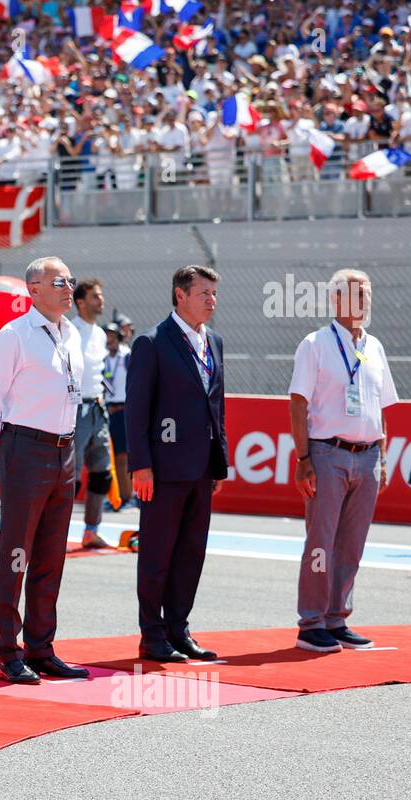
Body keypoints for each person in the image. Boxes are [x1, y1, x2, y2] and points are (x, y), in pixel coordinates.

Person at [0, 256, 92, 684]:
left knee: (51, 555)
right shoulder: (14, 335)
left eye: (70, 279)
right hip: (25, 446)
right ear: (34, 289)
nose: (67, 287)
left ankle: (42, 648)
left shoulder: (72, 334)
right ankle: (9, 652)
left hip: (64, 449)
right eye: (57, 280)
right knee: (16, 554)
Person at [288, 269, 398, 653]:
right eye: (357, 295)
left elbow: (382, 410)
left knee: (352, 544)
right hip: (327, 452)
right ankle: (311, 623)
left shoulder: (375, 346)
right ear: (336, 301)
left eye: (367, 293)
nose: (365, 301)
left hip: (367, 456)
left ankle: (337, 619)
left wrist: (382, 458)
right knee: (321, 542)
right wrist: (304, 458)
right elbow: (298, 403)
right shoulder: (315, 343)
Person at [126, 265, 228, 663]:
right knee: (157, 554)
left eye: (214, 293)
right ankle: (152, 635)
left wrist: (219, 463)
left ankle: (178, 628)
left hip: (201, 467)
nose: (211, 300)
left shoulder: (214, 342)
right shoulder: (152, 342)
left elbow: (216, 406)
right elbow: (137, 410)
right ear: (180, 295)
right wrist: (141, 466)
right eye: (204, 292)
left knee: (191, 553)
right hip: (163, 469)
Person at [69, 279, 113, 549]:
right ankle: (54, 529)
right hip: (76, 410)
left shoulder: (99, 333)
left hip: (98, 408)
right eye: (95, 296)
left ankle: (90, 531)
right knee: (69, 477)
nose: (101, 300)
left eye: (101, 295)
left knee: (101, 473)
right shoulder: (71, 330)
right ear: (81, 302)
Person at [103, 322, 133, 505]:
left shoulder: (127, 356)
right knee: (110, 458)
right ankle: (115, 497)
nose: (109, 339)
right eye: (107, 336)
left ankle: (128, 496)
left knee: (123, 456)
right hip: (107, 411)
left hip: (124, 410)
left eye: (113, 335)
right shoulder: (102, 358)